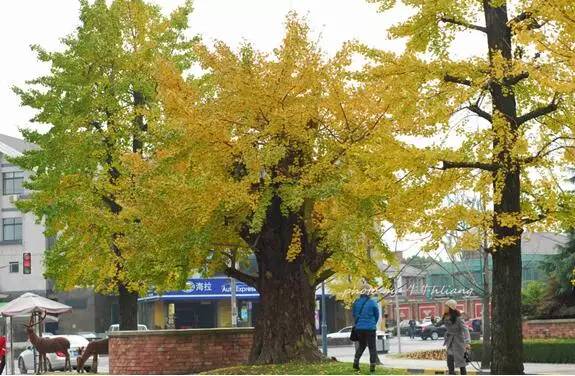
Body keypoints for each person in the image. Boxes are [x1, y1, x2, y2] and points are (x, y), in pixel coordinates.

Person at [352, 281, 379, 373]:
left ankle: (355, 364)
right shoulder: (372, 302)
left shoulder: (356, 302)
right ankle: (372, 368)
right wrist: (372, 323)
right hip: (370, 328)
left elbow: (354, 314)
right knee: (372, 348)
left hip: (359, 328)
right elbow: (377, 315)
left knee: (361, 346)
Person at [442, 299, 471, 375]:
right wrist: (432, 320)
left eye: (446, 306)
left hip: (459, 342)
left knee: (462, 364)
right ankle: (451, 373)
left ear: (450, 308)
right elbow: (436, 324)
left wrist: (467, 342)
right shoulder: (445, 317)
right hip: (450, 341)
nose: (444, 308)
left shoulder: (458, 318)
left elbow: (465, 329)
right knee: (450, 360)